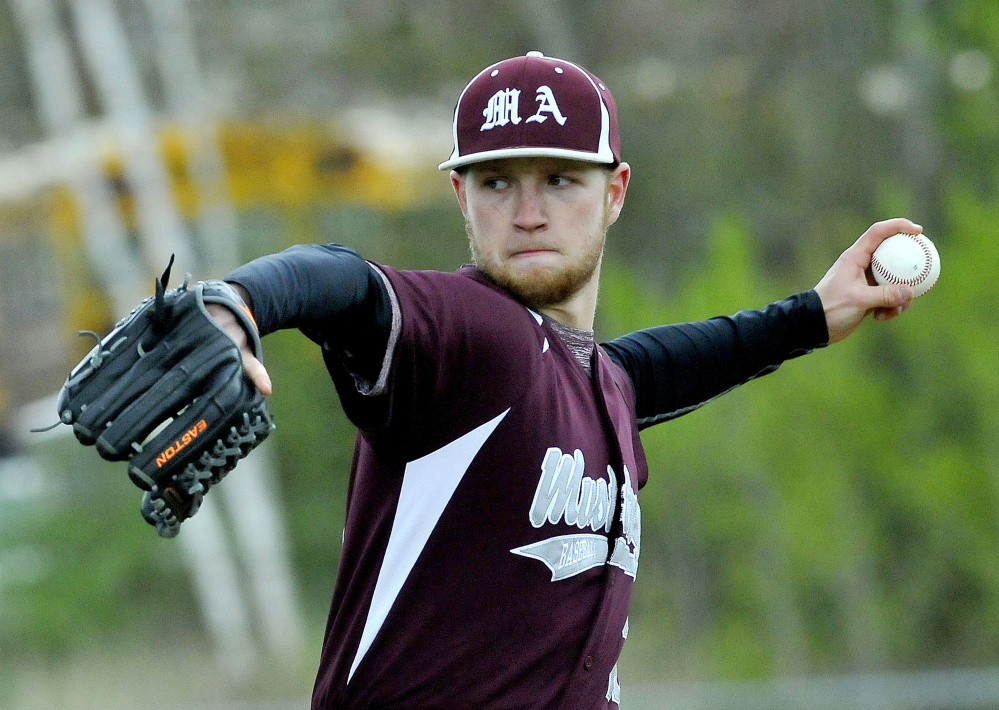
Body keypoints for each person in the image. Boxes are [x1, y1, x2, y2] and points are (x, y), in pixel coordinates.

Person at [210, 51, 917, 710]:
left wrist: (811, 315)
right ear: (460, 196)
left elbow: (656, 366)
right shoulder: (470, 337)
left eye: (558, 179)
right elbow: (346, 281)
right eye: (496, 183)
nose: (527, 214)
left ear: (614, 192)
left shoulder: (593, 382)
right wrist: (240, 304)